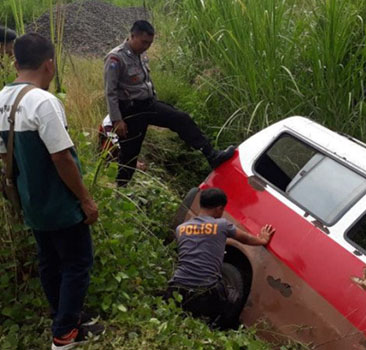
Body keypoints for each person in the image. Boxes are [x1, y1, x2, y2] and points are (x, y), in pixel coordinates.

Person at [0, 33, 103, 349]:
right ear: (49, 64)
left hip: (30, 201)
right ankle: (64, 334)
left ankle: (64, 317)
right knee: (77, 262)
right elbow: (61, 157)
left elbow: (3, 153)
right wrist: (86, 199)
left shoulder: (2, 99)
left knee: (49, 261)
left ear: (16, 63)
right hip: (59, 202)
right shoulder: (44, 102)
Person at [104, 20, 234, 187]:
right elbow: (110, 92)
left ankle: (212, 155)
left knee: (181, 118)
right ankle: (120, 191)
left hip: (148, 105)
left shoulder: (141, 54)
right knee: (130, 155)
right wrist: (117, 120)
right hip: (131, 112)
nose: (147, 46)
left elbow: (146, 81)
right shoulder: (115, 58)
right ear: (132, 36)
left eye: (150, 43)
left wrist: (155, 98)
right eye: (144, 42)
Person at [165, 187, 275, 328]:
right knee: (232, 296)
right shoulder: (222, 225)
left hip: (175, 287)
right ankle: (219, 326)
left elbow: (201, 242)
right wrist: (263, 240)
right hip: (204, 292)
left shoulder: (181, 229)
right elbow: (246, 239)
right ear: (219, 208)